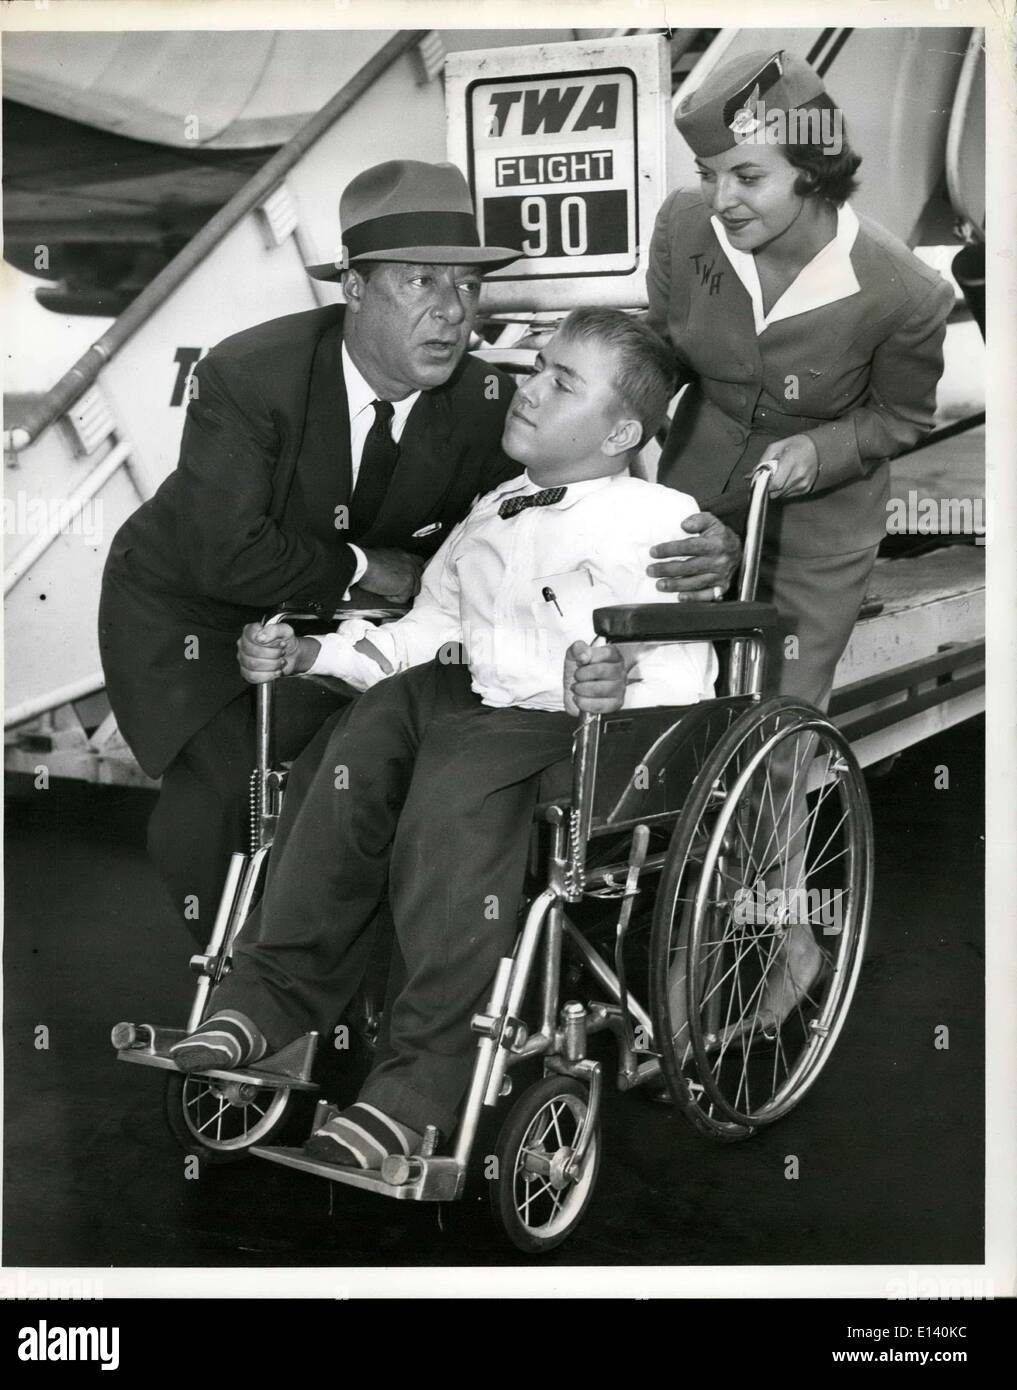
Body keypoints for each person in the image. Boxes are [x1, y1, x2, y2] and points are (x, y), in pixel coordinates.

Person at [98, 160, 739, 944]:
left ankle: (339, 983)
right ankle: (238, 977)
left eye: (466, 288)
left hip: (343, 634)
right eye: (420, 283)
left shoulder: (485, 404)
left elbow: (568, 502)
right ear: (355, 287)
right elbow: (222, 554)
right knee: (226, 790)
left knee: (359, 771)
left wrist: (702, 541)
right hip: (194, 612)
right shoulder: (246, 375)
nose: (450, 312)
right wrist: (367, 570)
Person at [169, 310, 717, 1169]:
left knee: (454, 790)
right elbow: (428, 629)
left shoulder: (657, 520)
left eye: (560, 381)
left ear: (620, 431)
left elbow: (684, 667)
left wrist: (623, 689)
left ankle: (420, 1086)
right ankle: (272, 1003)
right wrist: (318, 651)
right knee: (357, 740)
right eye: (536, 367)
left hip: (569, 730)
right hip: (465, 696)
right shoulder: (493, 508)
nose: (528, 389)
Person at [646, 49, 954, 1023]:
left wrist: (811, 454)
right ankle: (669, 909)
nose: (720, 199)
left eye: (747, 176)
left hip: (813, 533)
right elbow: (664, 341)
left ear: (813, 173)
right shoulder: (686, 227)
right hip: (691, 505)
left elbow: (896, 423)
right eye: (709, 174)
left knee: (771, 745)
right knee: (671, 709)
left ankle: (787, 944)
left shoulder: (901, 293)